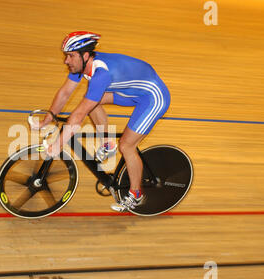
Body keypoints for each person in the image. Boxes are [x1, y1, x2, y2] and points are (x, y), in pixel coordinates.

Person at [38, 31, 171, 212]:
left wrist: (57, 145)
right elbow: (65, 93)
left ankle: (136, 194)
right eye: (65, 56)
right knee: (93, 100)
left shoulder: (101, 74)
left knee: (126, 146)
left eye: (70, 56)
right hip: (131, 91)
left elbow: (79, 115)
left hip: (153, 98)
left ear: (85, 56)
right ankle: (107, 144)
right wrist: (49, 117)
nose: (66, 61)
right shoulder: (83, 65)